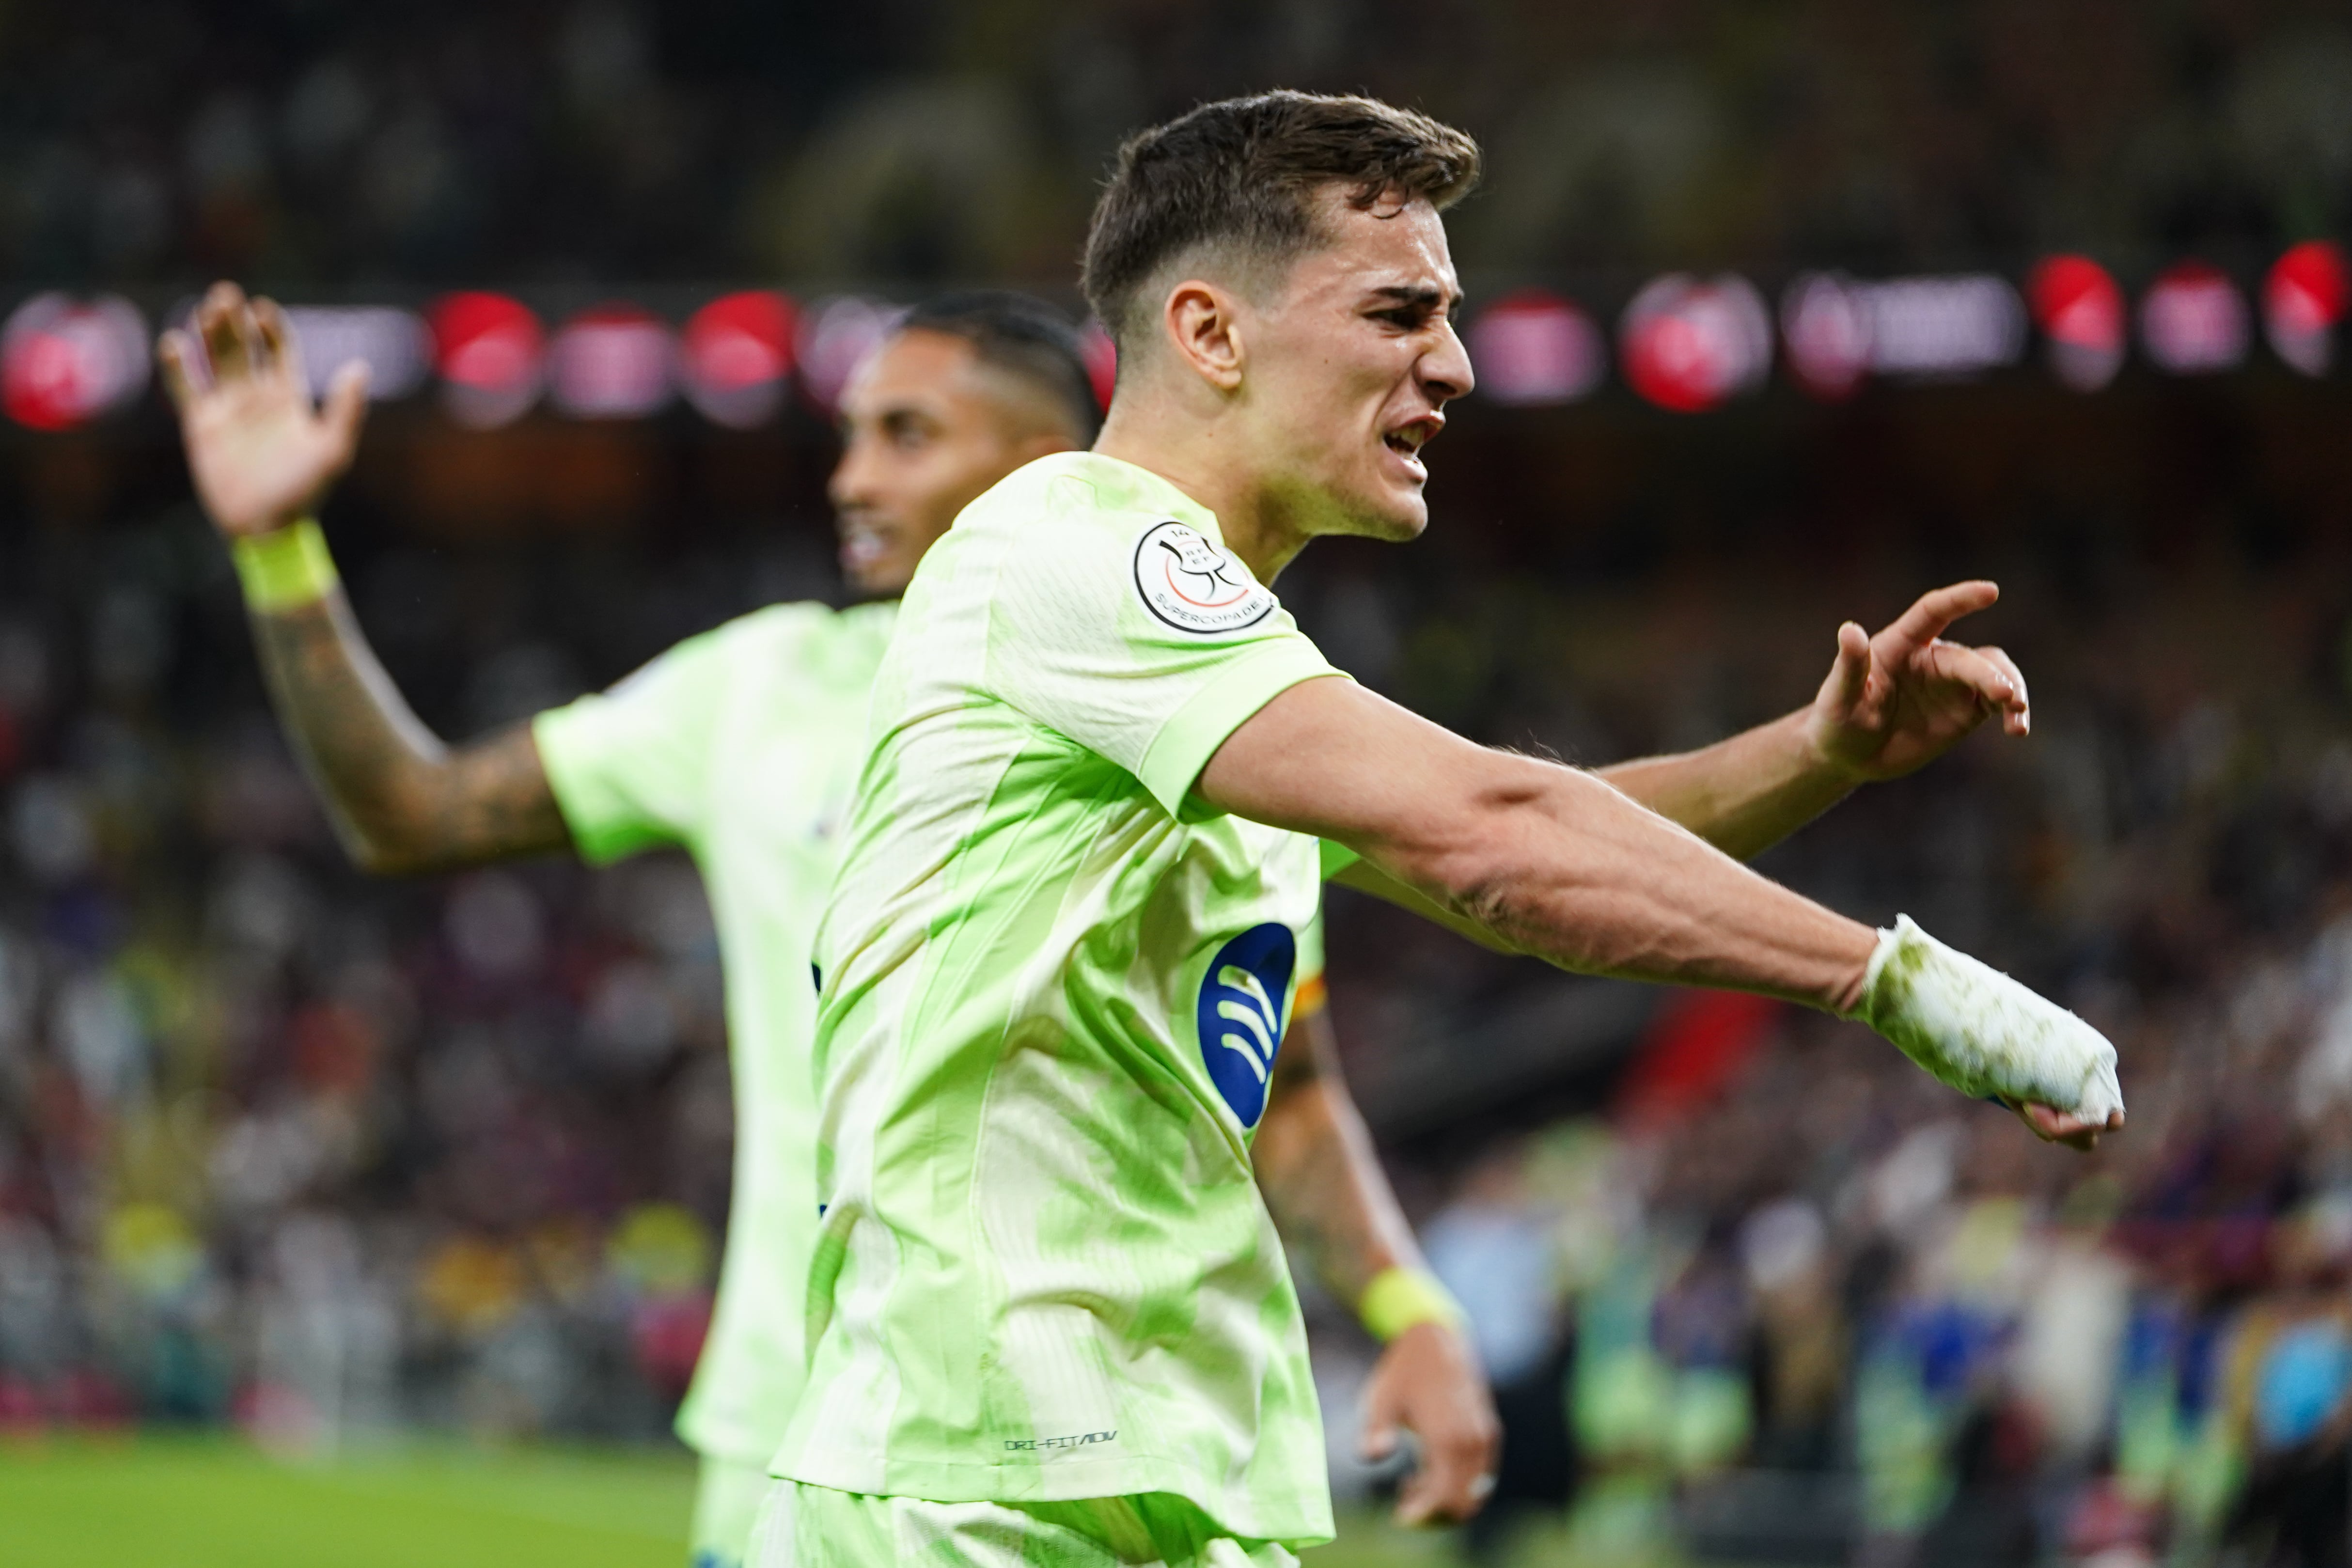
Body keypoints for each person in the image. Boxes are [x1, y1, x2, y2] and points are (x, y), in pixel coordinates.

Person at [764, 90, 2124, 1567]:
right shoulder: (1072, 550)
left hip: (1133, 1479)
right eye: (1401, 311)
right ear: (1212, 335)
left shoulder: (1211, 695)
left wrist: (1814, 752)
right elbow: (1500, 842)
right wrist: (1907, 987)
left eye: (1451, 316)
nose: (1456, 366)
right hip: (967, 1488)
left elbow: (1534, 842)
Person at [155, 285, 1497, 1566]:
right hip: (807, 1419)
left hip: (1113, 1436)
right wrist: (279, 549)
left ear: (1045, 462)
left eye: (904, 434)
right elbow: (413, 810)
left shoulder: (1219, 705)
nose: (850, 479)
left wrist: (1411, 1310)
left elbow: (1295, 1085)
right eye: (851, 434)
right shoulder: (759, 686)